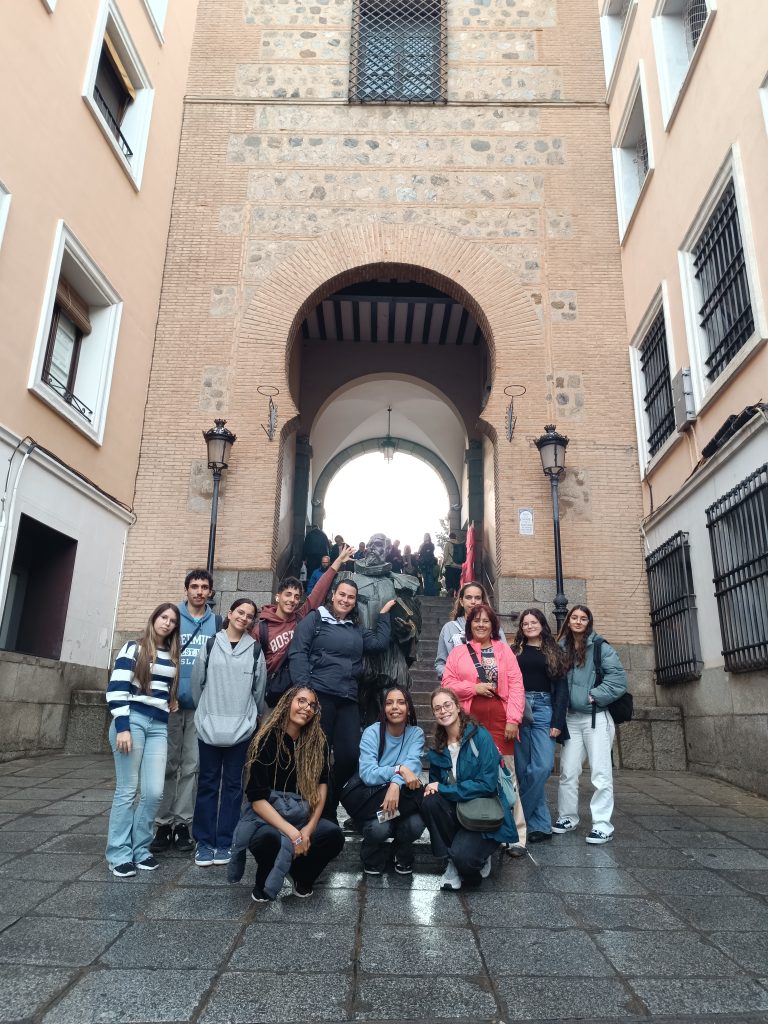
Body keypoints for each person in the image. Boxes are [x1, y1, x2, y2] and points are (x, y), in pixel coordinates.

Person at [288, 580, 394, 818]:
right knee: (317, 755)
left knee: (350, 756)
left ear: (355, 602)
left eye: (351, 597)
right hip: (319, 696)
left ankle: (328, 802)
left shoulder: (355, 628)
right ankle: (317, 813)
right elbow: (298, 651)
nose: (345, 600)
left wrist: (384, 615)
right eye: (342, 594)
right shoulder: (316, 619)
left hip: (347, 698)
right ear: (333, 595)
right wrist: (304, 690)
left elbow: (379, 644)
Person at [242, 687, 345, 901]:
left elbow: (322, 786)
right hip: (268, 819)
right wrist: (293, 834)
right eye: (301, 701)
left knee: (333, 835)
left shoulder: (317, 741)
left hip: (302, 816)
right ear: (288, 703)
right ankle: (264, 879)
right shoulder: (265, 739)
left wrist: (309, 828)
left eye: (312, 705)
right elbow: (257, 800)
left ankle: (302, 876)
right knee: (269, 840)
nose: (307, 708)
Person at [441, 602, 528, 853]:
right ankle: (476, 823)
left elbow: (516, 686)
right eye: (476, 620)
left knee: (507, 776)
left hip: (501, 722)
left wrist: (513, 719)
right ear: (470, 625)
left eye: (486, 621)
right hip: (469, 722)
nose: (481, 624)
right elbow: (447, 683)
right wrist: (473, 688)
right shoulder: (459, 652)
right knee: (470, 773)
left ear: (493, 625)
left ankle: (517, 835)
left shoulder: (504, 651)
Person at [106, 604, 180, 877]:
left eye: (172, 620)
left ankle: (140, 850)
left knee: (154, 792)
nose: (167, 623)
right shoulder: (133, 648)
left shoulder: (172, 655)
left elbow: (163, 688)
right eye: (163, 617)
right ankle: (119, 854)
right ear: (154, 618)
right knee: (127, 790)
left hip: (158, 726)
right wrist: (122, 727)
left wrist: (170, 701)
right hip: (132, 721)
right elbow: (117, 688)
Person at [191, 598, 266, 867]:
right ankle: (204, 841)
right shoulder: (211, 644)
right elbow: (197, 684)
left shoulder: (255, 650)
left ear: (253, 621)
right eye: (240, 612)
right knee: (207, 783)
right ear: (230, 613)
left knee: (234, 786)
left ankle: (225, 841)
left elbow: (258, 691)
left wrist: (250, 719)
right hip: (209, 726)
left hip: (240, 730)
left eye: (249, 615)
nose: (244, 618)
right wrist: (205, 714)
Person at [151, 569, 220, 856]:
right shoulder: (173, 617)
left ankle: (182, 823)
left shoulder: (216, 622)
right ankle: (162, 823)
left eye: (204, 587)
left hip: (200, 707)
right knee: (167, 765)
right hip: (170, 705)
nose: (199, 591)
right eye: (194, 586)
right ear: (186, 589)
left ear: (210, 591)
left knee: (192, 767)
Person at [422, 688, 517, 891]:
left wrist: (446, 789)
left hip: (484, 812)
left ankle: (477, 856)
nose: (443, 711)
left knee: (467, 863)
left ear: (458, 707)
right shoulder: (438, 747)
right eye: (437, 708)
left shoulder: (480, 736)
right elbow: (435, 788)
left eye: (447, 705)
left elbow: (487, 784)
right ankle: (451, 860)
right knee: (430, 800)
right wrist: (437, 789)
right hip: (457, 812)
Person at [554, 605, 628, 844]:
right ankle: (567, 817)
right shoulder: (561, 648)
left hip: (596, 718)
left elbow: (618, 680)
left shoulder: (600, 647)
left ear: (589, 622)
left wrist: (593, 695)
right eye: (574, 617)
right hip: (570, 719)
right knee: (568, 772)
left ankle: (602, 825)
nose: (578, 621)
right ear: (568, 621)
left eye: (583, 618)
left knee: (600, 773)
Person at [254, 545, 354, 687]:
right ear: (278, 596)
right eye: (288, 595)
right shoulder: (262, 629)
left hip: (297, 685)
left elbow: (319, 589)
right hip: (271, 688)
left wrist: (338, 561)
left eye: (296, 597)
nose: (292, 600)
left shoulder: (300, 617)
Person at [511, 609, 569, 843]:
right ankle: (541, 826)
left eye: (533, 622)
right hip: (520, 707)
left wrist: (558, 721)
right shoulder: (515, 651)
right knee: (524, 769)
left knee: (542, 767)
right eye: (525, 623)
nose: (529, 626)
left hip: (545, 708)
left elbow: (562, 688)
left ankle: (516, 818)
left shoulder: (554, 651)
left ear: (542, 624)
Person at [357, 686, 425, 876]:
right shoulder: (372, 733)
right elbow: (368, 773)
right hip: (377, 804)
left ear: (409, 709)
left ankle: (400, 852)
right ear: (383, 709)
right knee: (379, 828)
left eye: (401, 702)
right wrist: (399, 770)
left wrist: (395, 784)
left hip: (403, 803)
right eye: (389, 703)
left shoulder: (416, 734)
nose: (395, 707)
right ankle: (371, 853)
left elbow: (412, 765)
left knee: (416, 825)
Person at [434, 581, 506, 680]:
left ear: (482, 601)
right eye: (468, 597)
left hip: (490, 685)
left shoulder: (494, 628)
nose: (473, 602)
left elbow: (505, 658)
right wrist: (454, 680)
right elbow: (440, 663)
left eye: (477, 598)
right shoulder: (449, 629)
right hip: (459, 685)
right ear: (461, 601)